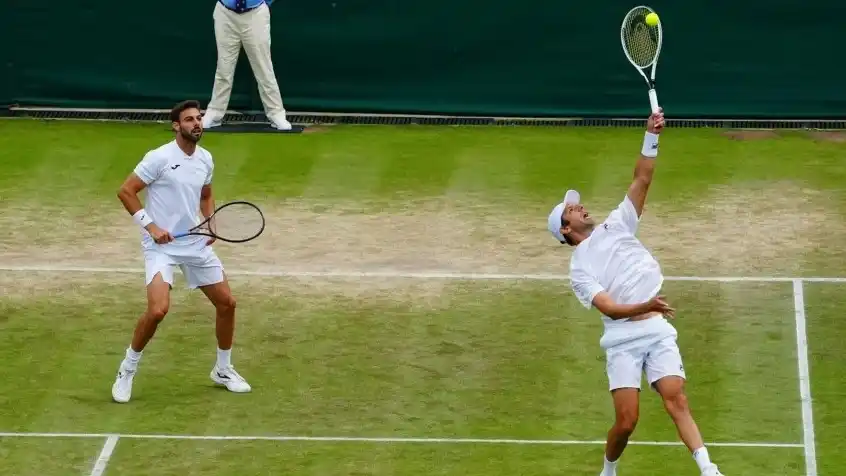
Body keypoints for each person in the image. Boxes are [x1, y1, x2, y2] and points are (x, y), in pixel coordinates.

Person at [546, 110, 725, 476]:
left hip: (656, 326)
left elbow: (642, 178)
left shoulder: (617, 223)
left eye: (577, 204)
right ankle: (608, 470)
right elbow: (610, 309)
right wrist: (646, 304)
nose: (580, 207)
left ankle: (708, 469)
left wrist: (651, 135)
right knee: (627, 422)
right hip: (622, 338)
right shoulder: (579, 268)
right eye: (572, 209)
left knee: (676, 397)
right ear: (565, 230)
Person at [111, 100, 252, 403]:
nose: (196, 123)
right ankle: (127, 368)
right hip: (161, 247)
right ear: (176, 126)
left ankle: (223, 369)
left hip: (194, 243)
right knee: (158, 310)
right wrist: (151, 227)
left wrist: (210, 220)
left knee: (227, 303)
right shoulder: (159, 157)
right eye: (189, 120)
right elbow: (126, 191)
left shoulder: (206, 159)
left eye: (199, 118)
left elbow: (206, 194)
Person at [202, 0, 292, 131]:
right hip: (225, 13)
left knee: (263, 68)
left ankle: (276, 114)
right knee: (224, 68)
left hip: (256, 13)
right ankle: (215, 113)